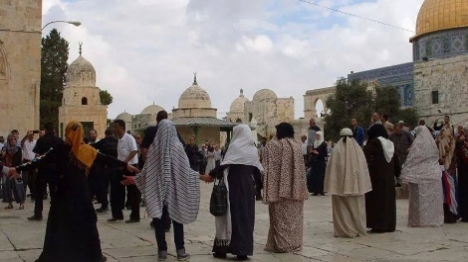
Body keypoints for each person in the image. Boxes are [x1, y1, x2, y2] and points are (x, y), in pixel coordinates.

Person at [8, 121, 139, 262]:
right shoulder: (75, 149)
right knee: (81, 224)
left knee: (66, 225)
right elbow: (105, 159)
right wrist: (125, 164)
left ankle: (79, 255)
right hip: (76, 194)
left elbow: (39, 161)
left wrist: (18, 168)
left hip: (68, 194)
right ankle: (89, 255)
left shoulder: (72, 149)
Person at [122, 120, 202, 261]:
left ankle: (162, 252)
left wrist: (134, 179)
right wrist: (201, 176)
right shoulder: (178, 149)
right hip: (175, 192)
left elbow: (147, 172)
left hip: (157, 192)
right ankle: (180, 251)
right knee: (177, 220)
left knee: (158, 222)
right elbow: (186, 172)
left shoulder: (154, 149)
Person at [203, 124, 263, 260]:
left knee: (231, 217)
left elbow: (225, 165)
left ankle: (223, 248)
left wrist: (210, 175)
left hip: (233, 187)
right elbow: (257, 171)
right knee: (245, 218)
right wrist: (258, 189)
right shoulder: (252, 149)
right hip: (248, 189)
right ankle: (243, 250)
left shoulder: (235, 147)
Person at [263, 123, 308, 253]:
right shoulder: (296, 146)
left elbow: (267, 168)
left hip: (277, 192)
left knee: (279, 219)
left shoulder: (272, 146)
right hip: (295, 191)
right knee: (294, 219)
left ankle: (280, 244)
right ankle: (294, 243)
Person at [324, 128, 372, 238]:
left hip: (339, 188)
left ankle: (344, 229)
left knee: (342, 208)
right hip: (356, 187)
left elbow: (332, 169)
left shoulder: (337, 151)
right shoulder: (358, 151)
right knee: (356, 208)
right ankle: (356, 228)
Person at [401, 126, 444, 227]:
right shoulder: (432, 143)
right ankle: (433, 220)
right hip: (433, 175)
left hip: (419, 176)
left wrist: (406, 172)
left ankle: (419, 221)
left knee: (420, 201)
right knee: (433, 202)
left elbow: (412, 159)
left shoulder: (417, 144)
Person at [364, 124, 400, 233]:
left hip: (376, 178)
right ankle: (389, 225)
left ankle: (378, 225)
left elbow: (364, 154)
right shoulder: (390, 144)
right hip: (389, 179)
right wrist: (397, 174)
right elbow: (396, 162)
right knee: (388, 201)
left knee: (377, 201)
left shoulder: (375, 143)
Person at [29, 122, 63, 221]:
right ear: (54, 130)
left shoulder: (41, 140)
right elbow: (63, 157)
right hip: (55, 170)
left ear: (46, 130)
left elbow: (37, 155)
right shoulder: (59, 141)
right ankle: (56, 215)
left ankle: (38, 214)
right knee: (54, 193)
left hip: (43, 169)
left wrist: (35, 167)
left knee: (39, 193)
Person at [435, 115, 458, 223]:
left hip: (448, 168)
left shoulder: (452, 141)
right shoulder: (441, 136)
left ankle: (452, 213)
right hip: (442, 167)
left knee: (450, 189)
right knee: (444, 191)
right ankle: (447, 214)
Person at [91, 128, 119, 213]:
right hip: (115, 166)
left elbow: (93, 147)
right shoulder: (117, 141)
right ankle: (117, 205)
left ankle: (104, 205)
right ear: (113, 134)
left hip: (104, 167)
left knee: (103, 187)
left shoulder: (103, 142)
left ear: (105, 134)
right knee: (115, 188)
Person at [1, 134, 24, 210]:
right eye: (11, 139)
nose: (13, 141)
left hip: (15, 170)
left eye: (14, 139)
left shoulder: (18, 149)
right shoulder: (5, 149)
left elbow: (20, 161)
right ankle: (10, 203)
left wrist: (18, 170)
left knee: (18, 187)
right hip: (7, 170)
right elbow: (2, 158)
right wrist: (2, 155)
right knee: (7, 187)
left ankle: (21, 203)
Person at [309, 131, 328, 196]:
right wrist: (312, 152)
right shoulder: (314, 143)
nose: (317, 137)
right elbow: (313, 153)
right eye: (316, 135)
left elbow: (325, 154)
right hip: (315, 162)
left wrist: (318, 153)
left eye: (318, 135)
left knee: (321, 176)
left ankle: (321, 190)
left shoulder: (323, 144)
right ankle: (316, 190)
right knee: (315, 176)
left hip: (321, 162)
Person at [456, 128, 468, 222]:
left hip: (463, 171)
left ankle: (464, 215)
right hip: (463, 171)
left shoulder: (461, 145)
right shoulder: (461, 144)